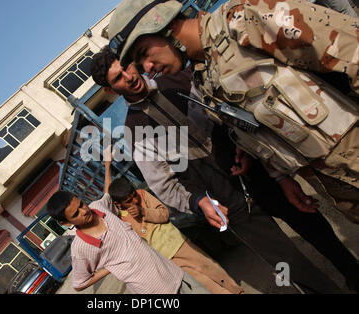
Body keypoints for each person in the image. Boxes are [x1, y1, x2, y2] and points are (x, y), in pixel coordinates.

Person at [90, 46, 349, 293]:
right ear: (110, 90)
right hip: (227, 203)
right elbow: (162, 184)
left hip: (257, 172)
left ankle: (353, 272)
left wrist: (272, 168)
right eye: (118, 78)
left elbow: (232, 116)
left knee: (318, 229)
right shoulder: (135, 130)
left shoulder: (178, 79)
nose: (129, 77)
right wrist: (197, 201)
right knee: (289, 264)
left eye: (126, 68)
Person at [106, 0, 359, 224]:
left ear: (165, 27)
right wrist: (280, 176)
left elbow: (350, 48)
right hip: (332, 179)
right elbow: (258, 129)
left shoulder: (242, 21)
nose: (148, 69)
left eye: (144, 54)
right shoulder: (203, 79)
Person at [103, 150, 243, 294]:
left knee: (210, 267)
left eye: (133, 196)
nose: (134, 201)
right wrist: (107, 166)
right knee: (201, 281)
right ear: (118, 205)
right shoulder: (120, 218)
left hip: (180, 243)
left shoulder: (142, 196)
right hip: (166, 259)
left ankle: (237, 291)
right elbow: (106, 198)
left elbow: (164, 214)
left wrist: (144, 212)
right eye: (128, 201)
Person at [46, 189, 211, 294]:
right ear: (66, 223)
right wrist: (109, 269)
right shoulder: (81, 248)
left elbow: (107, 192)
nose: (84, 211)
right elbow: (79, 283)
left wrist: (108, 165)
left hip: (175, 274)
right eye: (76, 214)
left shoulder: (99, 207)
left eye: (81, 204)